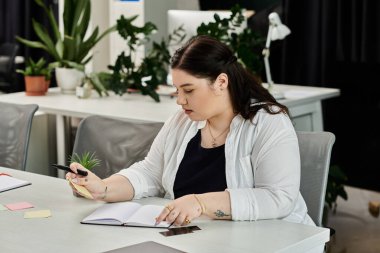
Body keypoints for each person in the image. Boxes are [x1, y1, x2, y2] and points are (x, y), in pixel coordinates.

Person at [66, 35, 315, 228]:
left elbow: (277, 198)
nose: (180, 100)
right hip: (196, 239)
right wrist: (103, 188)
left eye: (189, 90)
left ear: (221, 82)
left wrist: (200, 204)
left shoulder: (268, 122)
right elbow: (151, 172)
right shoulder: (183, 122)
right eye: (176, 90)